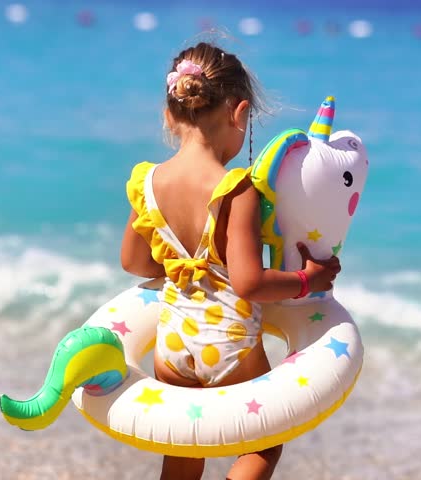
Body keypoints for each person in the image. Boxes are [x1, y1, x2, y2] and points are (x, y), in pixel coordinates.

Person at [120, 42, 341, 480]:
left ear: (170, 115)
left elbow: (134, 263)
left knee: (183, 453)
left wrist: (184, 266)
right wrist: (307, 280)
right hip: (228, 344)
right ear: (239, 114)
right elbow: (249, 283)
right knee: (265, 442)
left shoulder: (147, 181)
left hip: (173, 344)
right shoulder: (236, 189)